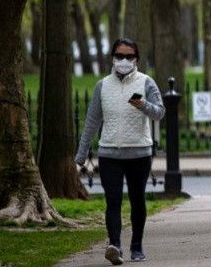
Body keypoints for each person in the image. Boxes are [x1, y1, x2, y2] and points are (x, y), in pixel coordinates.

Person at [75, 38, 166, 264]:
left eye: (129, 56)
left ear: (136, 59)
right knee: (113, 200)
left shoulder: (146, 82)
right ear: (112, 58)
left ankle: (137, 246)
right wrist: (82, 151)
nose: (123, 61)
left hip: (139, 153)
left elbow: (160, 113)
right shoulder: (102, 85)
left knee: (137, 200)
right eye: (119, 56)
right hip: (109, 154)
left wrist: (143, 104)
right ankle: (114, 245)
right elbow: (92, 120)